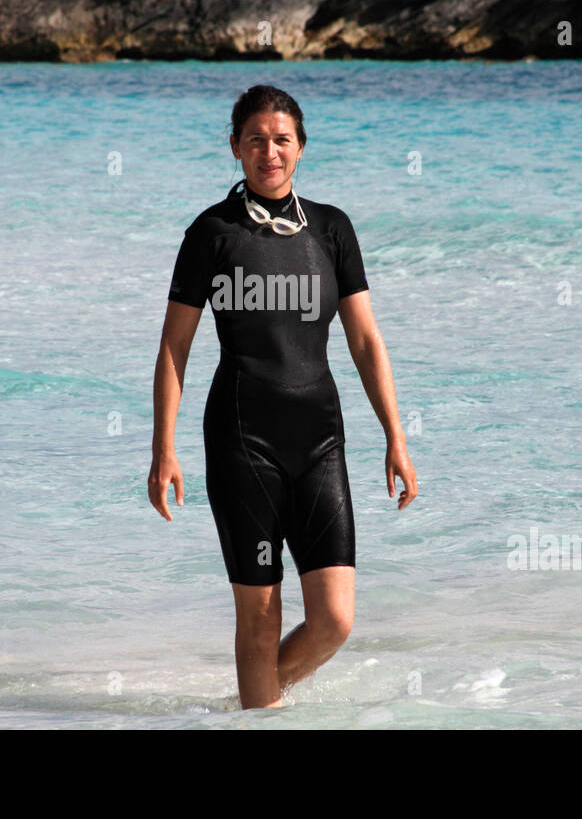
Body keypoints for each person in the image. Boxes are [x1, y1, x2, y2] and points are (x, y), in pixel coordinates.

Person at [148, 84, 418, 709]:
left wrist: (396, 438)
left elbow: (366, 341)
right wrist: (165, 446)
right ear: (236, 148)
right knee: (260, 619)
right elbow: (173, 347)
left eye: (282, 139)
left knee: (335, 619)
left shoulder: (331, 228)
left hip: (320, 439)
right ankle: (258, 711)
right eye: (256, 139)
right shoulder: (211, 234)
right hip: (244, 442)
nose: (269, 151)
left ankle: (248, 707)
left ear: (300, 148)